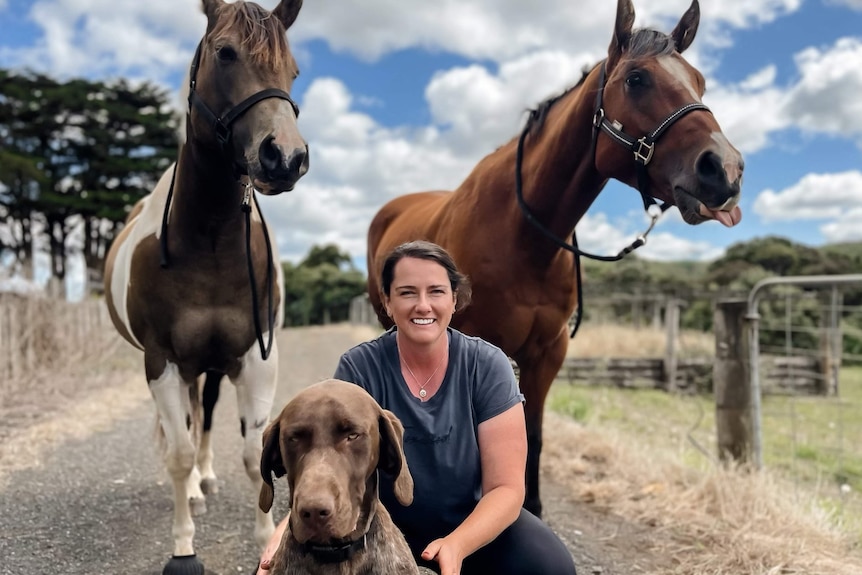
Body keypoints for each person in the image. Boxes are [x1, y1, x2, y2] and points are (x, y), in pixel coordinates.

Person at [256, 240, 577, 575]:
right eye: (407, 292)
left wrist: (458, 545)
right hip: (383, 522)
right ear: (387, 301)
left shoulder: (487, 365)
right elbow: (326, 457)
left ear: (454, 299)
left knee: (551, 566)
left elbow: (507, 489)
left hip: (472, 520)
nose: (423, 305)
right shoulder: (360, 367)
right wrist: (287, 529)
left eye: (436, 292)